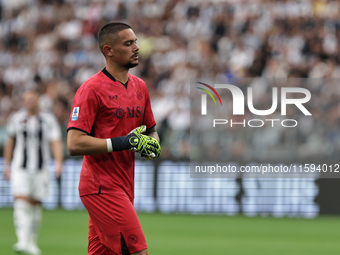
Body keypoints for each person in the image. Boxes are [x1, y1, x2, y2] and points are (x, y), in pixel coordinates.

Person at [67, 22, 161, 255]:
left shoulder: (140, 86)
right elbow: (74, 143)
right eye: (128, 43)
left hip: (125, 185)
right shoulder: (91, 89)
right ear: (108, 50)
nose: (136, 47)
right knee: (137, 251)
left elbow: (151, 130)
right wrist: (124, 142)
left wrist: (153, 145)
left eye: (136, 42)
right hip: (101, 187)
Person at [3, 89, 63, 255]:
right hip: (19, 168)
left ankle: (31, 242)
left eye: (32, 98)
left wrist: (59, 162)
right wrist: (7, 165)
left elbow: (56, 142)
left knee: (35, 204)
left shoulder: (48, 120)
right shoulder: (16, 118)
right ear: (23, 100)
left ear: (38, 100)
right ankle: (22, 240)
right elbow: (10, 142)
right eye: (26, 99)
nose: (29, 101)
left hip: (40, 168)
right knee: (21, 200)